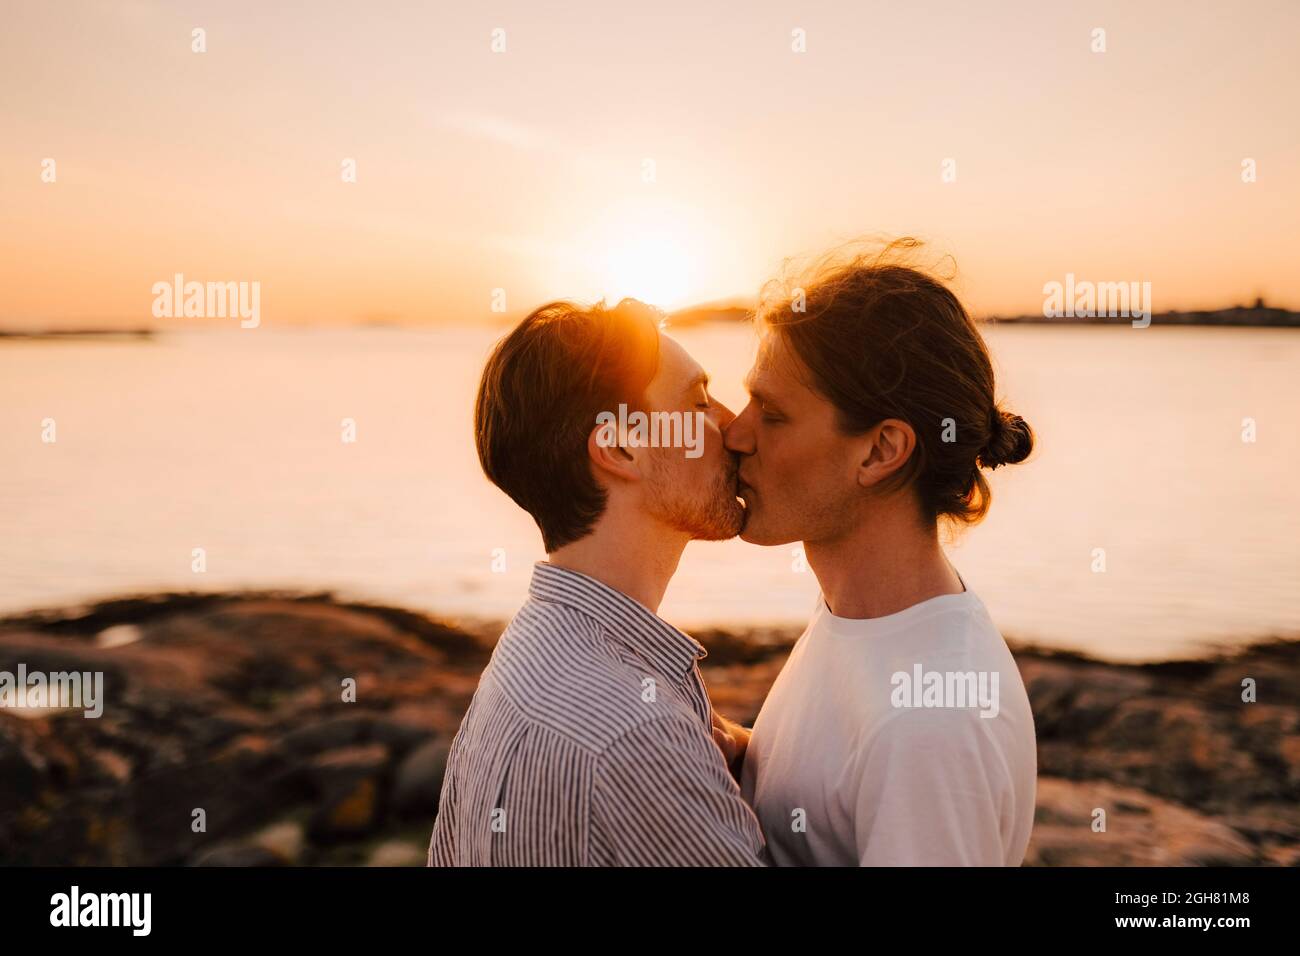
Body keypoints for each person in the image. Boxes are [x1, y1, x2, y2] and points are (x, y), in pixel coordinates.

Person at [729, 240, 1038, 865]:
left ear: (879, 451)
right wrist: (743, 757)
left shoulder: (930, 729)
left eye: (773, 414)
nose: (735, 433)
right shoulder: (859, 617)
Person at [428, 297, 766, 866]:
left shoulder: (522, 661)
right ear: (619, 446)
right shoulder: (634, 736)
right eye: (700, 403)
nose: (734, 429)